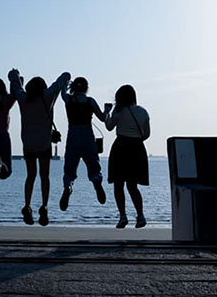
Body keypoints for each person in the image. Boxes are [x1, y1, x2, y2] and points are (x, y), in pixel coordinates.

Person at [9, 69, 71, 226]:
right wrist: (63, 80)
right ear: (43, 87)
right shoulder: (48, 96)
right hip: (44, 144)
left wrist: (14, 74)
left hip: (28, 144)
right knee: (45, 176)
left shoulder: (24, 98)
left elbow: (16, 85)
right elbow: (63, 78)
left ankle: (27, 205)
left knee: (30, 176)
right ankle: (44, 206)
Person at [105, 84, 151, 228]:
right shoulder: (143, 112)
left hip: (120, 147)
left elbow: (109, 127)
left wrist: (107, 112)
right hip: (137, 148)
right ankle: (140, 215)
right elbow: (147, 134)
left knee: (118, 185)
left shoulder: (119, 111)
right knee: (133, 186)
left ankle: (123, 216)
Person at [59, 76, 108, 211]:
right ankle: (96, 180)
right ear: (86, 88)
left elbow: (62, 92)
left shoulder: (69, 99)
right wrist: (107, 110)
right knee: (93, 164)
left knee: (70, 166)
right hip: (87, 134)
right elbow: (103, 118)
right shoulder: (90, 101)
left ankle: (68, 186)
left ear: (74, 87)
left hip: (73, 134)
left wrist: (65, 84)